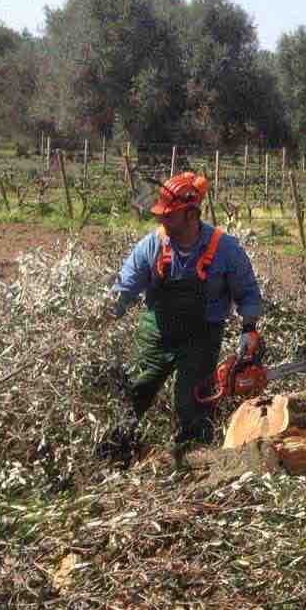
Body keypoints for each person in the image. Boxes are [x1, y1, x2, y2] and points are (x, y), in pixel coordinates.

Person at [106, 171, 264, 449]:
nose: (162, 221)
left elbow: (247, 291)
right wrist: (103, 314)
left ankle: (194, 458)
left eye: (169, 216)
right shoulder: (153, 245)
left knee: (193, 404)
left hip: (201, 339)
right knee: (134, 393)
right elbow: (125, 288)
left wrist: (249, 330)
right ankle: (115, 450)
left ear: (191, 214)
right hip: (157, 335)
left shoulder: (224, 248)